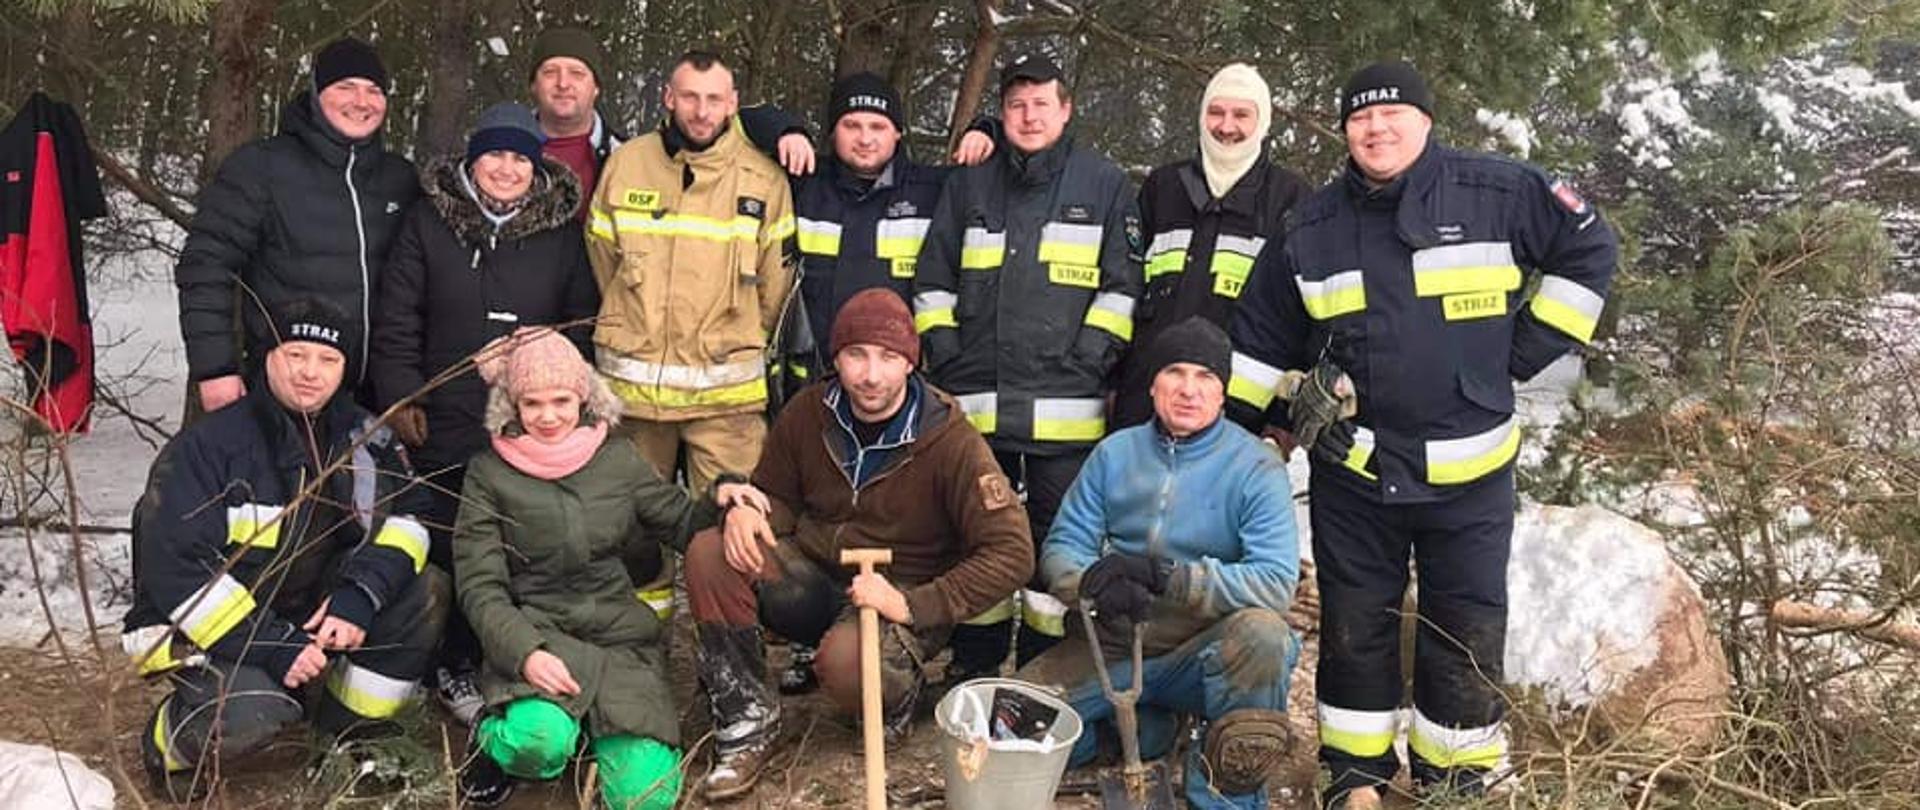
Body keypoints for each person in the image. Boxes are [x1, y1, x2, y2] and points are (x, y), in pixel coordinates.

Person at [1228, 61, 1618, 807]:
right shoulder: (1310, 228)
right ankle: (1356, 780)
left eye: (1392, 115)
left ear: (1426, 121)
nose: (1376, 130)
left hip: (1470, 481)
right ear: (1345, 130)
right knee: (1355, 628)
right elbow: (1258, 342)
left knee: (1464, 632)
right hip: (1356, 477)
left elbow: (1590, 248)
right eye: (1360, 118)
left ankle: (1457, 783)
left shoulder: (1499, 193)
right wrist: (1256, 437)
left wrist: (1523, 352)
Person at [681, 289, 1034, 800]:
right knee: (711, 552)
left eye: (889, 358)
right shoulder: (809, 412)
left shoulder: (950, 440)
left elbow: (1012, 552)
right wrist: (748, 510)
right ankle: (746, 721)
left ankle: (894, 698)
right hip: (816, 574)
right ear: (837, 358)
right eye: (856, 355)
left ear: (910, 364)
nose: (871, 375)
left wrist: (912, 604)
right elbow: (778, 493)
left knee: (848, 670)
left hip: (896, 592)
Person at [122, 298, 446, 803]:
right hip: (207, 628)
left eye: (328, 360)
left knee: (424, 589)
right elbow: (179, 572)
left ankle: (343, 735)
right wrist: (274, 647)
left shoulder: (365, 436)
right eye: (296, 355)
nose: (310, 373)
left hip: (305, 610)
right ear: (267, 355)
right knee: (253, 710)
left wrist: (359, 594)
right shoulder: (209, 445)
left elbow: (412, 517)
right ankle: (169, 746)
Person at [450, 328, 766, 808]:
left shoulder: (616, 458)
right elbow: (479, 586)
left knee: (646, 797)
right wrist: (525, 653)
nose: (549, 416)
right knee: (537, 743)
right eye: (533, 403)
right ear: (513, 405)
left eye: (561, 399)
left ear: (584, 397)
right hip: (541, 631)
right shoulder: (488, 474)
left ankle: (591, 738)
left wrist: (723, 492)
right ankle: (494, 737)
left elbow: (680, 521)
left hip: (620, 641)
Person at [912, 52, 1145, 670]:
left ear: (1065, 111)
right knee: (978, 538)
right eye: (1016, 105)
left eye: (1042, 103)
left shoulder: (1105, 184)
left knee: (1057, 543)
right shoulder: (969, 184)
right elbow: (932, 280)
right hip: (979, 408)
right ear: (1002, 114)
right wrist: (947, 356)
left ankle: (1044, 666)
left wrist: (1091, 359)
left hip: (1066, 417)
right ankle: (976, 663)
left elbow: (1123, 287)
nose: (1029, 115)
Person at [368, 102, 599, 725]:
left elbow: (580, 325)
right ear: (473, 161)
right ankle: (442, 659)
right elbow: (396, 320)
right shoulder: (429, 223)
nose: (506, 168)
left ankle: (503, 656)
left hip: (524, 422)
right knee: (444, 540)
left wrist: (559, 399)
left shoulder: (559, 233)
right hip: (442, 417)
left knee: (512, 543)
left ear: (536, 166)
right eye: (494, 154)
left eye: (520, 158)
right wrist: (403, 396)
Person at [1019, 318, 1300, 810]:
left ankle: (1220, 794)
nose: (1189, 391)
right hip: (1116, 645)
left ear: (1222, 391)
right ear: (1153, 385)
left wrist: (1172, 578)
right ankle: (1142, 732)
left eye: (1205, 377)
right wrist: (1093, 585)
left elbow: (1275, 584)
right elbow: (1063, 544)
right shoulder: (1114, 453)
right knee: (1011, 724)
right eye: (1175, 373)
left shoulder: (1256, 467)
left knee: (1264, 636)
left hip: (1205, 653)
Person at [585, 50, 796, 496]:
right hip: (632, 395)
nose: (702, 111)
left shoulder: (763, 178)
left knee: (730, 532)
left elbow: (775, 288)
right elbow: (604, 260)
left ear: (733, 103)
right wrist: (635, 322)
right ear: (668, 97)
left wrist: (736, 337)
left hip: (727, 401)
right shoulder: (626, 164)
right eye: (690, 97)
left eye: (714, 99)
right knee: (632, 536)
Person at [175, 38, 418, 415]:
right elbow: (206, 265)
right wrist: (215, 368)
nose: (361, 101)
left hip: (376, 397)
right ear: (317, 95)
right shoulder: (262, 168)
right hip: (286, 389)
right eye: (345, 88)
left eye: (374, 91)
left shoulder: (399, 179)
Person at [1116, 63, 1309, 430]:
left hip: (1237, 416)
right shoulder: (1164, 186)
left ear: (1263, 122)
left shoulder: (1290, 197)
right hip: (1144, 403)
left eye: (1241, 115)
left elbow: (1297, 319)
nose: (1226, 126)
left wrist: (1279, 425)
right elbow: (1125, 286)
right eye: (1216, 112)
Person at [523, 29, 815, 210]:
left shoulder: (619, 156)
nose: (563, 83)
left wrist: (785, 129)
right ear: (533, 84)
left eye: (577, 73)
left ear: (596, 86)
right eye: (550, 72)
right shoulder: (499, 155)